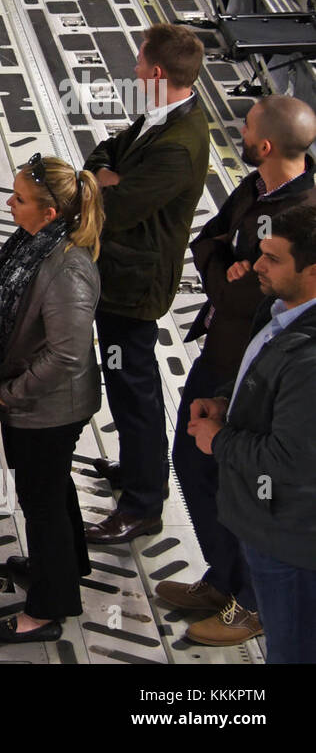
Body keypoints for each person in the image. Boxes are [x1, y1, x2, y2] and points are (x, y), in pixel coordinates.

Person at [158, 95, 316, 647]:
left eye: (246, 126)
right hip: (228, 358)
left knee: (244, 486)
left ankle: (250, 602)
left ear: (266, 144)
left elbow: (286, 461)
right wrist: (228, 270)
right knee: (192, 463)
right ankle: (224, 579)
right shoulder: (255, 189)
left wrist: (238, 272)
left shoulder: (304, 215)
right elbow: (209, 241)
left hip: (258, 373)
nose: (238, 131)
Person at [0, 155, 105, 643]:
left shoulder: (66, 270)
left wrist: (9, 394)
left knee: (40, 505)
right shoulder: (36, 244)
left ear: (50, 213)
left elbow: (66, 353)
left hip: (46, 409)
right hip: (40, 405)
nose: (8, 202)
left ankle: (45, 610)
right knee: (53, 493)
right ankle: (64, 567)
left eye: (19, 198)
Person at [82, 24, 210, 544]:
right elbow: (102, 153)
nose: (133, 70)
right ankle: (142, 469)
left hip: (134, 285)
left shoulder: (179, 144)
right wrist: (104, 174)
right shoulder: (162, 118)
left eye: (138, 63)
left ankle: (142, 505)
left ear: (157, 73)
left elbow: (118, 205)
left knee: (132, 388)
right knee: (130, 383)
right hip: (121, 273)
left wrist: (107, 183)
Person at [189, 204, 316, 664]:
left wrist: (219, 440)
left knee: (292, 650)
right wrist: (227, 401)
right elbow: (266, 380)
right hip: (267, 529)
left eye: (274, 258)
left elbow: (292, 459)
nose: (258, 265)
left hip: (293, 544)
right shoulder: (280, 308)